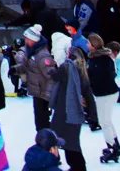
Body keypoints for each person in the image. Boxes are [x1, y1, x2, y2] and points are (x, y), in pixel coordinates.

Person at [48, 33, 93, 171]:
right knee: (72, 142)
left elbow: (54, 75)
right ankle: (77, 166)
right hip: (74, 112)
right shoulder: (82, 69)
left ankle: (77, 167)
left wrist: (50, 67)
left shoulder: (66, 67)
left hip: (64, 111)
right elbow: (88, 92)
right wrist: (93, 113)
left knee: (67, 142)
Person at [86, 34, 120, 163]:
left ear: (94, 45)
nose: (86, 45)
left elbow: (100, 77)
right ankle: (115, 144)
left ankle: (112, 148)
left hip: (106, 93)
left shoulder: (100, 59)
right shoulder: (99, 58)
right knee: (106, 120)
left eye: (88, 43)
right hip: (106, 92)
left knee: (104, 122)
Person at [15, 25, 56, 131]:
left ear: (33, 40)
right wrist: (16, 70)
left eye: (27, 38)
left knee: (42, 123)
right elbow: (28, 67)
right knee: (39, 122)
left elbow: (51, 76)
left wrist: (48, 96)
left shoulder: (42, 55)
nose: (25, 40)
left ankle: (47, 144)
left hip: (43, 95)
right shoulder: (32, 51)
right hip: (37, 92)